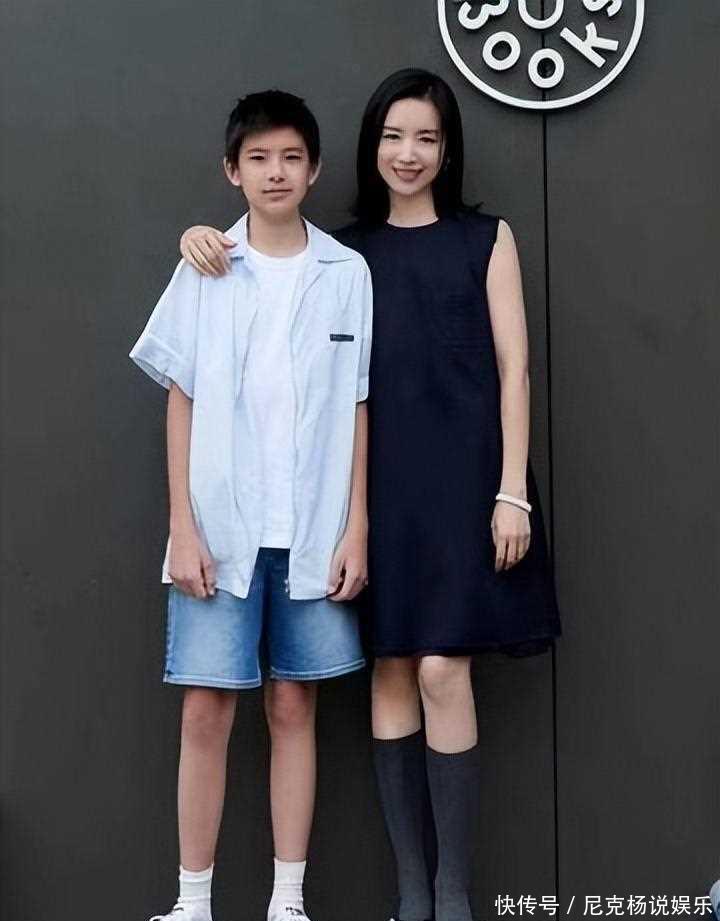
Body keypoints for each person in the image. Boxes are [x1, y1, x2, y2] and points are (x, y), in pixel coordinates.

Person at [177, 68, 562, 921]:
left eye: (426, 137)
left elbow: (515, 368)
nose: (408, 153)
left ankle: (453, 894)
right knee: (390, 666)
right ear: (369, 147)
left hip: (468, 483)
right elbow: (260, 270)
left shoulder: (485, 237)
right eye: (393, 136)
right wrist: (200, 237)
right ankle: (411, 895)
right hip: (371, 491)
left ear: (448, 149)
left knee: (442, 667)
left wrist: (513, 490)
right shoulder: (345, 256)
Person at [129, 89, 373, 921]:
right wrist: (182, 526)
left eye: (291, 157)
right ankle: (192, 904)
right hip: (219, 530)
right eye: (259, 158)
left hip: (311, 529)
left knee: (294, 703)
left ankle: (287, 903)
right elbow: (181, 396)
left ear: (315, 170)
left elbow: (357, 403)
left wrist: (356, 525)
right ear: (232, 170)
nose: (276, 172)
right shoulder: (207, 265)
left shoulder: (347, 274)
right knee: (206, 708)